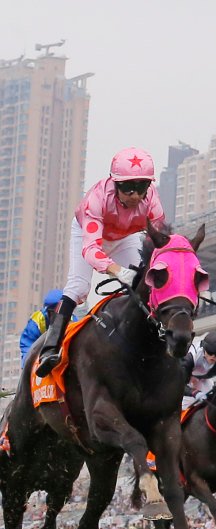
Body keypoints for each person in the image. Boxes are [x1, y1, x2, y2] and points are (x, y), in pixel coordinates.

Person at [38, 147, 164, 377]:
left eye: (142, 187)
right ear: (115, 184)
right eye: (128, 187)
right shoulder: (96, 200)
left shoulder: (153, 202)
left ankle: (156, 339)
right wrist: (117, 271)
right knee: (78, 287)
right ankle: (50, 349)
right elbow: (90, 249)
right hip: (90, 237)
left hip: (125, 238)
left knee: (145, 281)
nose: (136, 195)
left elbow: (157, 244)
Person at [183, 331, 216, 410]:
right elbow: (179, 383)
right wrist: (194, 392)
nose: (213, 357)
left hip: (205, 380)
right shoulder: (191, 356)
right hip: (186, 381)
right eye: (210, 352)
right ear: (204, 348)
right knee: (183, 406)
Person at [18, 290, 63, 369]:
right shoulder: (36, 321)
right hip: (39, 353)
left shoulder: (72, 320)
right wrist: (27, 365)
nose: (53, 315)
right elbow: (27, 344)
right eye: (50, 312)